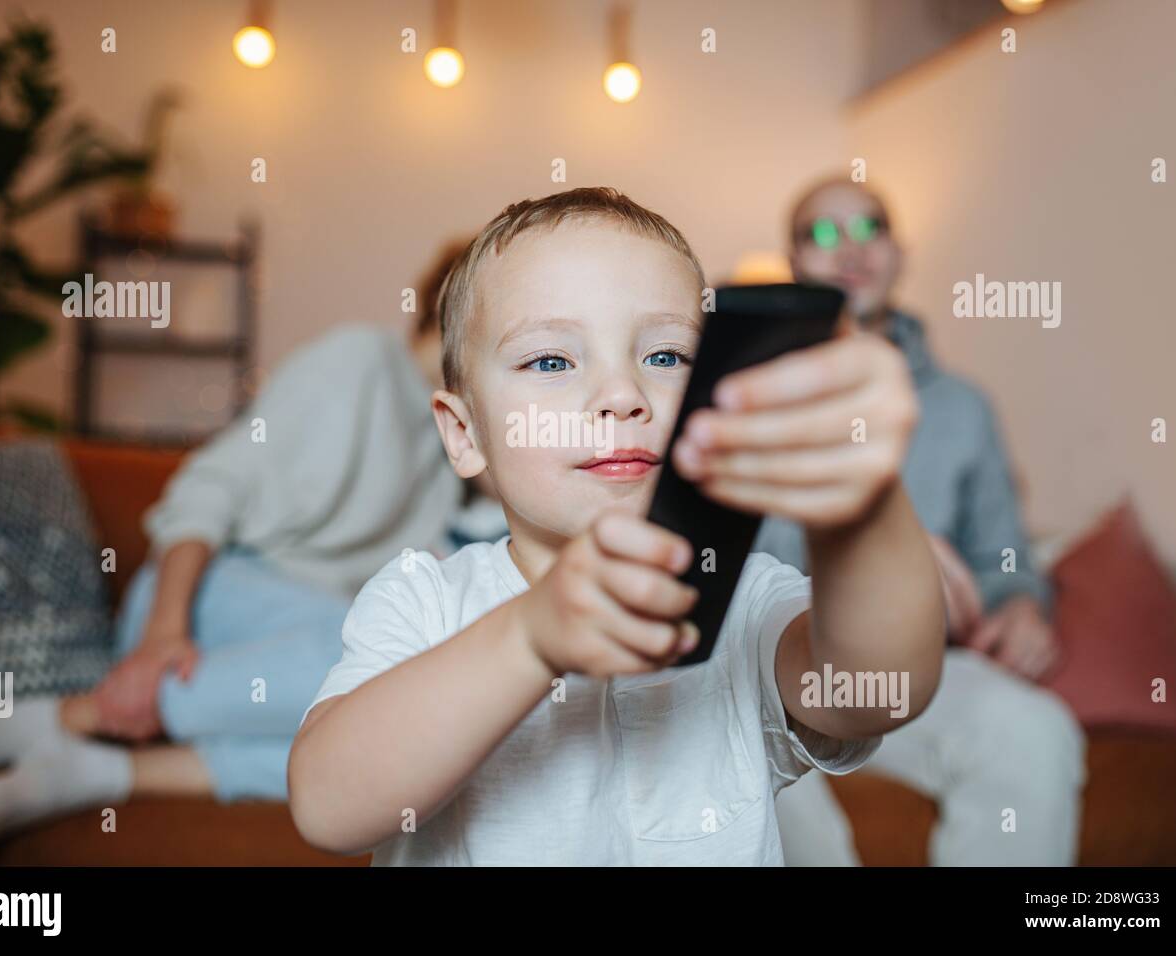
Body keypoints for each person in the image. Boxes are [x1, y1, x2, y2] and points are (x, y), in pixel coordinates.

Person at [287, 186, 947, 865]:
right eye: (551, 361)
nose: (624, 396)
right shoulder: (423, 602)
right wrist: (528, 636)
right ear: (464, 433)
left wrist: (861, 511)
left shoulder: (742, 599)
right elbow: (328, 806)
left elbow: (880, 691)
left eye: (665, 357)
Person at [0, 242, 503, 865]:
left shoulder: (448, 459)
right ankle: (79, 715)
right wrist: (162, 636)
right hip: (206, 605)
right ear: (452, 305)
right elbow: (208, 489)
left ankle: (101, 772)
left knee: (385, 755)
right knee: (390, 658)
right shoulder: (360, 362)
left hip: (286, 648)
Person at [760, 176, 1087, 866]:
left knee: (1032, 730)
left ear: (899, 252)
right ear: (793, 261)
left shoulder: (966, 408)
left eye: (869, 227)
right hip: (772, 673)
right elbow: (726, 568)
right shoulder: (748, 394)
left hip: (921, 673)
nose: (849, 247)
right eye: (821, 234)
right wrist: (885, 559)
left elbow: (1004, 556)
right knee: (745, 769)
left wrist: (1023, 604)